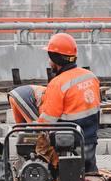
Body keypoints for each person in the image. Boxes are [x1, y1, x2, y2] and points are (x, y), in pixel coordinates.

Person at [37, 33, 101, 173]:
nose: (49, 61)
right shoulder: (91, 77)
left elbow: (46, 122)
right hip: (90, 141)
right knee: (89, 176)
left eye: (50, 58)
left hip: (68, 145)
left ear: (55, 58)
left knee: (37, 146)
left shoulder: (57, 84)